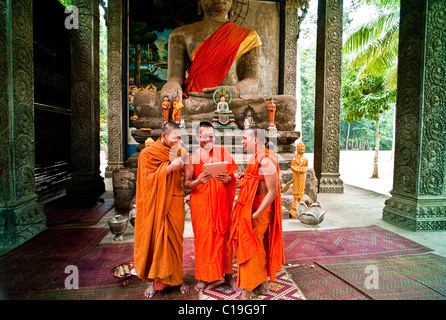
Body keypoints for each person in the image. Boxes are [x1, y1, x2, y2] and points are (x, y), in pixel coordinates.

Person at [161, 0, 261, 102]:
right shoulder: (179, 34)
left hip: (229, 101)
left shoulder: (248, 36)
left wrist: (233, 90)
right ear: (199, 3)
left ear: (233, 3)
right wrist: (172, 85)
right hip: (195, 99)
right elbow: (174, 77)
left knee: (273, 105)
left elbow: (253, 81)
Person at [133, 121, 190, 299]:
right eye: (175, 138)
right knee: (157, 240)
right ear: (164, 136)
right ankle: (155, 282)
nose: (177, 141)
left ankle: (177, 279)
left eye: (180, 138)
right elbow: (146, 181)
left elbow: (187, 175)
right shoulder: (148, 153)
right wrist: (169, 168)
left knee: (174, 242)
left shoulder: (181, 152)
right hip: (155, 203)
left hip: (174, 201)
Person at [230, 126, 284, 300]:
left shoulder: (266, 160)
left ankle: (247, 289)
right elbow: (255, 180)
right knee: (257, 247)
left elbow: (272, 192)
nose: (242, 142)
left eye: (245, 138)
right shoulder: (256, 157)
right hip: (249, 208)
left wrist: (256, 214)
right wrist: (243, 178)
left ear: (255, 139)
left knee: (250, 247)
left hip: (259, 210)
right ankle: (262, 283)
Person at [184, 122, 239, 292]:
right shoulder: (191, 158)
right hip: (202, 206)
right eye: (204, 136)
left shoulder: (223, 153)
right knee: (204, 241)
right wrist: (198, 181)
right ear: (197, 138)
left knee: (225, 239)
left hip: (221, 204)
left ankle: (228, 275)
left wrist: (228, 180)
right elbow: (186, 184)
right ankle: (204, 277)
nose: (208, 140)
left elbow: (232, 179)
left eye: (211, 136)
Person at [290, 142, 308, 218]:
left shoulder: (305, 159)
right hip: (296, 175)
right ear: (297, 149)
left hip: (302, 175)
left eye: (303, 149)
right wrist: (297, 169)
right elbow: (292, 166)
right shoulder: (294, 159)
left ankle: (300, 201)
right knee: (296, 187)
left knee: (301, 187)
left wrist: (303, 169)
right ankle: (296, 201)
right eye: (300, 149)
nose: (302, 151)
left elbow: (306, 167)